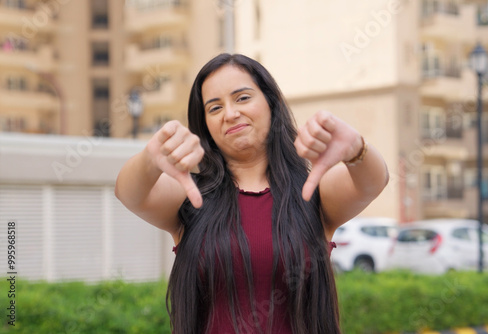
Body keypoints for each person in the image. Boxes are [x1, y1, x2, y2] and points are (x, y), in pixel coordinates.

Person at [115, 53, 388, 334]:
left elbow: (373, 181)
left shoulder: (312, 192)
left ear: (271, 103)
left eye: (242, 98)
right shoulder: (191, 197)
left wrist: (356, 148)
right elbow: (128, 193)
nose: (230, 114)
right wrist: (150, 157)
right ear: (205, 125)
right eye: (214, 108)